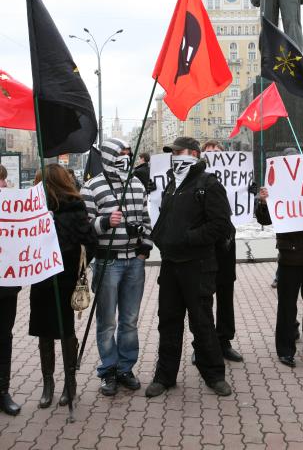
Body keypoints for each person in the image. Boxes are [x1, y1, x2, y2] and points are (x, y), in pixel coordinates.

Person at [145, 136, 234, 398]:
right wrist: (160, 238)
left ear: (193, 154)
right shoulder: (173, 184)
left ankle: (214, 374)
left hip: (198, 266)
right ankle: (165, 376)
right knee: (168, 321)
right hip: (171, 266)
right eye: (171, 153)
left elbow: (221, 225)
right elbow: (165, 219)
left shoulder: (209, 184)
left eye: (177, 152)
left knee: (202, 322)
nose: (173, 157)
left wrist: (188, 239)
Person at [81, 139, 153, 396]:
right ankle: (108, 370)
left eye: (128, 153)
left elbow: (145, 219)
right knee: (107, 321)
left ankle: (125, 367)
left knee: (130, 320)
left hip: (134, 261)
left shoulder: (136, 184)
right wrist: (105, 222)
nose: (126, 156)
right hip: (107, 262)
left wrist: (144, 248)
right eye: (121, 153)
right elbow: (86, 227)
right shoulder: (92, 186)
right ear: (110, 155)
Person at [29, 164, 97, 408]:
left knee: (66, 331)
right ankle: (48, 384)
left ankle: (71, 382)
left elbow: (90, 242)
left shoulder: (75, 209)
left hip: (65, 280)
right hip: (41, 282)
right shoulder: (33, 210)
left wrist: (75, 267)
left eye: (40, 183)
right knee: (43, 333)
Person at [256, 149, 303, 367]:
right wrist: (263, 202)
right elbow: (265, 220)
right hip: (290, 254)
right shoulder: (276, 187)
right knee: (287, 305)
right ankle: (285, 349)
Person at [199, 140, 243, 362]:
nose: (214, 155)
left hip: (225, 244)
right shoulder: (195, 180)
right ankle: (203, 345)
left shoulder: (233, 177)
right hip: (205, 245)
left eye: (217, 152)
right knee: (203, 298)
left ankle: (224, 341)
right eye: (209, 152)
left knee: (225, 295)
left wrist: (249, 192)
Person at [0, 165, 21, 416]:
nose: (3, 185)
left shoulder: (12, 208)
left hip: (6, 287)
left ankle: (3, 391)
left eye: (3, 180)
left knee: (4, 337)